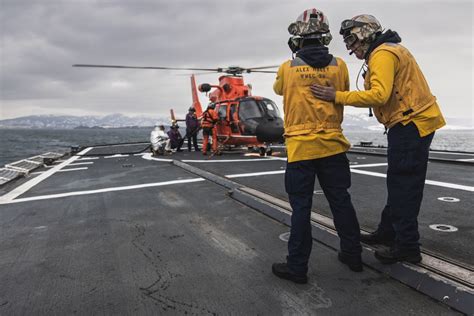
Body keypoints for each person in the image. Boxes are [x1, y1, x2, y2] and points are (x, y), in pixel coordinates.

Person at [311, 14, 446, 264]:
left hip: (409, 124)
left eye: (352, 40)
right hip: (411, 123)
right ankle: (387, 232)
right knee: (399, 183)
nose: (351, 48)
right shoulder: (387, 50)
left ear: (365, 32)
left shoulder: (383, 53)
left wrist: (337, 96)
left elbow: (379, 95)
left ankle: (408, 247)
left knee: (403, 186)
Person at [271, 8, 363, 284]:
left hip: (301, 149)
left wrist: (296, 60)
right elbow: (343, 89)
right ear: (325, 38)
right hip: (333, 146)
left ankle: (297, 267)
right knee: (341, 202)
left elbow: (278, 90)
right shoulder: (339, 66)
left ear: (297, 37)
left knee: (301, 208)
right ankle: (353, 255)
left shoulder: (288, 68)